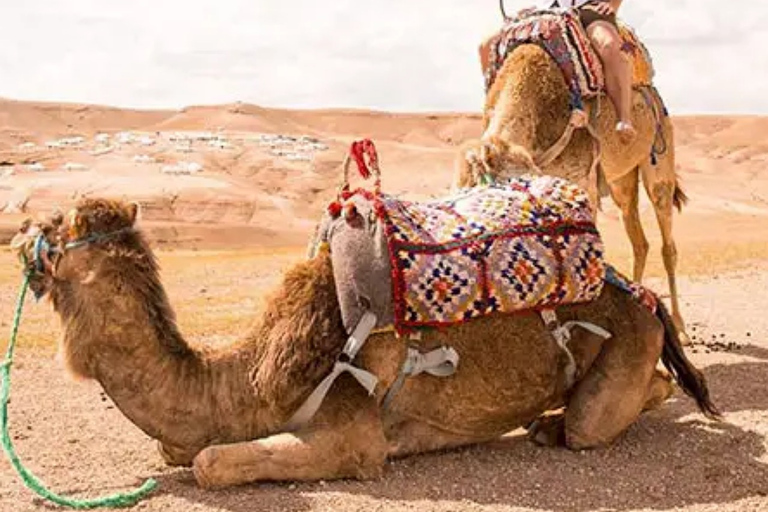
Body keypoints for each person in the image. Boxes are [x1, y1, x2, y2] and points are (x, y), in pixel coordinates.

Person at [480, 0, 636, 143]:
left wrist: (613, 5)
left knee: (608, 44)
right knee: (486, 46)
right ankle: (494, 110)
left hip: (587, 9)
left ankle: (624, 118)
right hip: (546, 11)